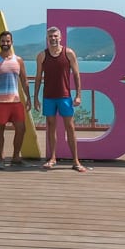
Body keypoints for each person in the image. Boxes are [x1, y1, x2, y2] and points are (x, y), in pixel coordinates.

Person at [34, 26, 86, 172]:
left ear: (60, 37)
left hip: (65, 96)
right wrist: (36, 97)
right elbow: (38, 78)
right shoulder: (42, 56)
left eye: (55, 36)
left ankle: (76, 161)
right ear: (47, 39)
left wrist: (78, 95)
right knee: (51, 127)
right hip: (48, 97)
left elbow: (76, 75)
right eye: (50, 36)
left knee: (70, 127)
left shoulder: (69, 53)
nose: (53, 38)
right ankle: (52, 158)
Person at [0, 30, 32, 169]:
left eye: (8, 41)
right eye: (3, 41)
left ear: (12, 42)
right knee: (0, 129)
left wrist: (28, 98)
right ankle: (1, 158)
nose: (5, 43)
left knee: (21, 129)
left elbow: (24, 81)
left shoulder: (18, 60)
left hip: (15, 102)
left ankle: (16, 157)